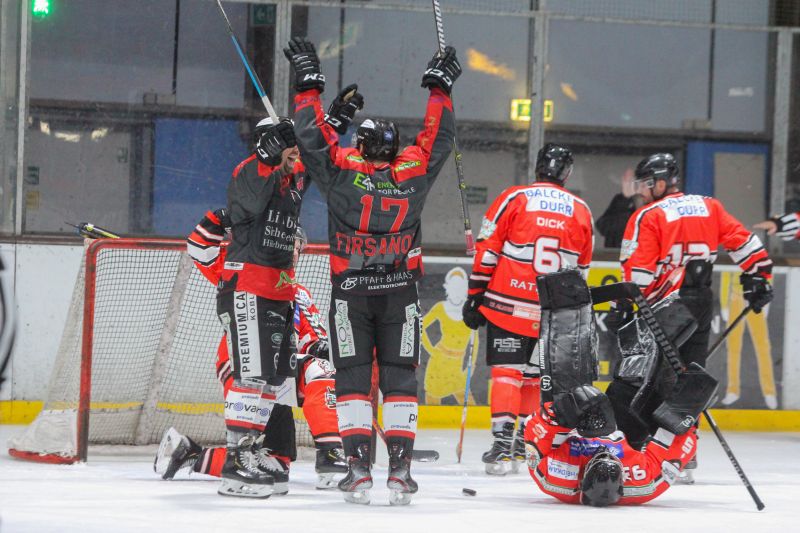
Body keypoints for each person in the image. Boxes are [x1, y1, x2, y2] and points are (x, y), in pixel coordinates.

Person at [284, 36, 460, 505]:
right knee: (401, 380)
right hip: (401, 295)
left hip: (351, 298)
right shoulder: (414, 172)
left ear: (360, 143)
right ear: (395, 145)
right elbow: (438, 138)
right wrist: (439, 89)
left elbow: (312, 138)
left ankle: (358, 471)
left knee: (353, 382)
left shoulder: (342, 171)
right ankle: (400, 473)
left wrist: (308, 87)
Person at [155, 214, 347, 492]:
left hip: (281, 370)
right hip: (242, 362)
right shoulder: (244, 270)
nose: (292, 251)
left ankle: (331, 451)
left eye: (296, 246)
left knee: (277, 468)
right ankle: (194, 456)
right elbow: (199, 247)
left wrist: (321, 347)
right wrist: (225, 216)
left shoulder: (299, 292)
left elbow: (313, 339)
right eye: (287, 244)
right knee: (258, 457)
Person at [616, 153, 773, 481]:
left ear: (661, 182)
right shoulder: (709, 206)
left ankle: (654, 447)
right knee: (691, 375)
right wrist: (758, 279)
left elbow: (638, 275)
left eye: (647, 184)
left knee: (657, 378)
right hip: (700, 301)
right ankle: (684, 450)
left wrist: (627, 304)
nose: (643, 191)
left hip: (663, 306)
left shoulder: (648, 216)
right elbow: (746, 245)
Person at [524, 270, 714, 507]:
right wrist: (684, 414)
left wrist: (560, 414)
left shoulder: (557, 478)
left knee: (565, 374)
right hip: (627, 431)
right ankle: (692, 300)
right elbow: (677, 444)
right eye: (610, 458)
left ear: (582, 478)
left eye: (598, 458)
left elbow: (533, 437)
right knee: (645, 362)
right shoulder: (644, 483)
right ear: (624, 478)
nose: (603, 451)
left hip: (575, 427)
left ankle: (565, 304)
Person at [462, 143, 594, 475]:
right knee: (535, 378)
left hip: (508, 302)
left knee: (508, 373)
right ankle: (524, 441)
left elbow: (488, 250)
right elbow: (583, 268)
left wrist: (475, 294)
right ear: (566, 173)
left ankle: (502, 444)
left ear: (538, 167)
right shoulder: (580, 209)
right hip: (552, 309)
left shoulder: (515, 197)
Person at [595, 168, 638, 248]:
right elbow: (602, 226)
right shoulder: (619, 200)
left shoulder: (643, 203)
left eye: (631, 180)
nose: (628, 183)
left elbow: (635, 230)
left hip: (633, 255)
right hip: (612, 255)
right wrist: (625, 199)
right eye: (626, 179)